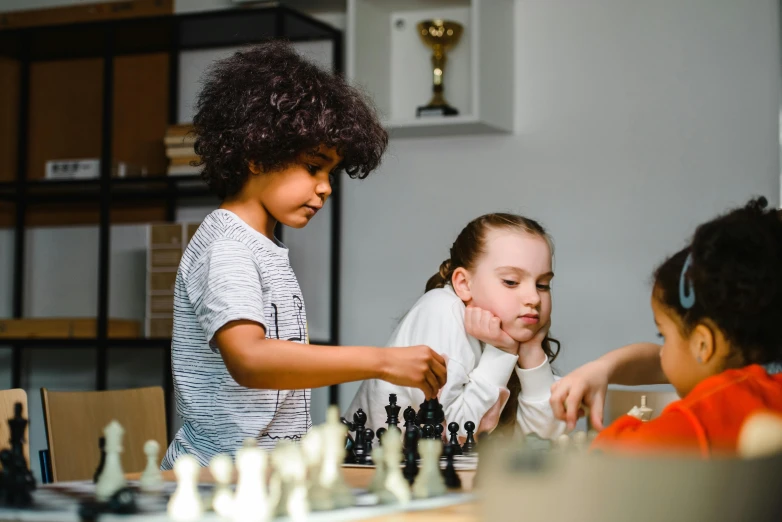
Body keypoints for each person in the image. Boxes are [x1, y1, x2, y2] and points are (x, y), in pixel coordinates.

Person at [162, 42, 446, 468]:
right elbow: (251, 359)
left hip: (264, 474)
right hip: (215, 479)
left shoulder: (263, 246)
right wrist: (382, 362)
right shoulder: (225, 247)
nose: (326, 187)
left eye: (330, 173)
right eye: (313, 167)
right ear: (258, 155)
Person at [584, 198, 782, 455]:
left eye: (663, 335)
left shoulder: (711, 412)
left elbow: (608, 454)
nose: (662, 351)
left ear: (703, 343)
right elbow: (659, 364)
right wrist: (603, 368)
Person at [348, 213, 566, 440]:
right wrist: (501, 352)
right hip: (369, 470)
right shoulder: (442, 310)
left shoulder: (516, 335)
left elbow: (541, 442)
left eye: (543, 285)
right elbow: (454, 435)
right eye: (511, 282)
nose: (534, 298)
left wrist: (531, 352)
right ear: (463, 284)